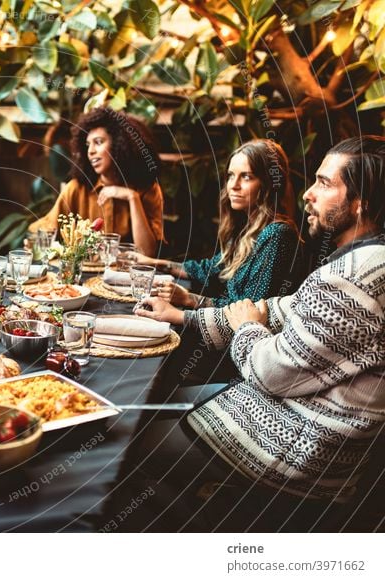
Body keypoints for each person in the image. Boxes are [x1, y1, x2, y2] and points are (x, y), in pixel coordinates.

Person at [130, 135, 385, 526]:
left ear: (360, 202)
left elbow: (270, 371)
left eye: (324, 183)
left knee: (131, 443)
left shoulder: (352, 278)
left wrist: (248, 328)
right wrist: (184, 317)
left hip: (297, 445)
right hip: (292, 419)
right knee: (157, 399)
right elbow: (275, 309)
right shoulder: (361, 261)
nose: (308, 195)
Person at [133, 139, 303, 308]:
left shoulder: (277, 234)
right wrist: (151, 262)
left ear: (269, 184)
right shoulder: (245, 226)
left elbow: (250, 310)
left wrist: (188, 299)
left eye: (246, 177)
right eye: (230, 176)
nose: (233, 186)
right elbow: (211, 269)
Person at [28, 106, 164, 256]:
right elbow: (45, 228)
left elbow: (147, 253)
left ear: (120, 145)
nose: (90, 151)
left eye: (98, 142)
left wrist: (132, 197)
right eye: (87, 145)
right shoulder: (77, 188)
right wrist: (34, 241)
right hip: (86, 277)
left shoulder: (147, 188)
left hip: (128, 276)